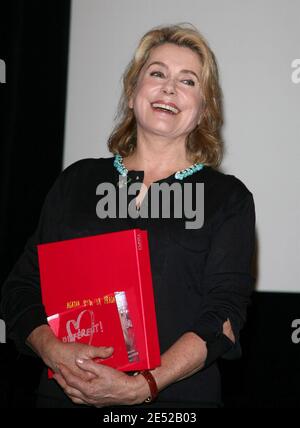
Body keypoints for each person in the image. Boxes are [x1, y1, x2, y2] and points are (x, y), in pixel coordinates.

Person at [1, 24, 255, 408]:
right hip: (65, 394)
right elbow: (21, 287)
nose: (169, 88)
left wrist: (145, 385)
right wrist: (51, 348)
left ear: (205, 108)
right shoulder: (77, 181)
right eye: (157, 73)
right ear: (133, 90)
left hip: (174, 405)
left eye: (188, 81)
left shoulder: (227, 198)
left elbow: (222, 317)